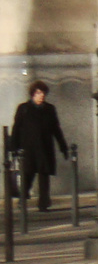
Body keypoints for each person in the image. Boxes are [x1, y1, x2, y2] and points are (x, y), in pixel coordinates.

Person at [9, 81, 69, 211]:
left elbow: (56, 130)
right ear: (32, 94)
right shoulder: (24, 108)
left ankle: (44, 203)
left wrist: (63, 147)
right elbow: (16, 128)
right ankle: (23, 199)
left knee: (44, 176)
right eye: (38, 93)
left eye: (43, 93)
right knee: (27, 176)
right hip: (28, 149)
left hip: (44, 148)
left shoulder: (49, 109)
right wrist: (13, 147)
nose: (41, 96)